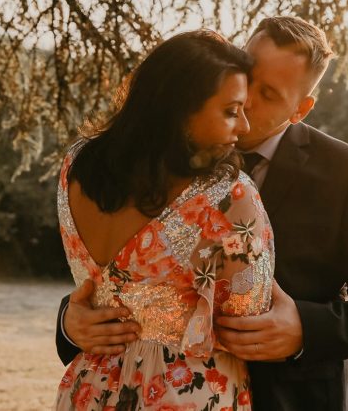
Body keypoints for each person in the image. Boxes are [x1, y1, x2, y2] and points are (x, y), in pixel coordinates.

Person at [56, 17, 348, 410]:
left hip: (293, 399)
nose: (246, 99)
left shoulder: (346, 171)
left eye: (268, 93)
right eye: (247, 74)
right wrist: (70, 323)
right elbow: (130, 272)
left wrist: (304, 330)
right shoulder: (165, 160)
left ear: (301, 108)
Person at [54, 30, 275, 410]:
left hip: (91, 386)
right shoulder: (229, 196)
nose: (244, 127)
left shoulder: (77, 166)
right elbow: (247, 313)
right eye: (230, 111)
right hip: (183, 392)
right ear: (180, 111)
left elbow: (95, 286)